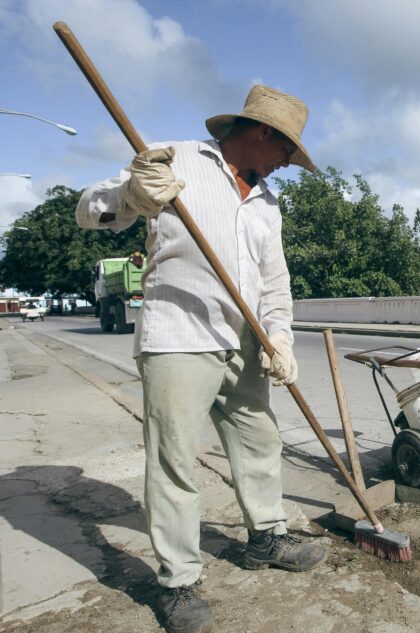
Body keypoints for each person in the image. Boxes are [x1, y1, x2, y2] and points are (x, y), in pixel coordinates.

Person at [76, 85, 325, 633]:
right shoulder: (173, 157)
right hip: (178, 337)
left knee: (260, 441)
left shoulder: (266, 202)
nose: (286, 164)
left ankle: (266, 538)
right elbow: (88, 210)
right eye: (287, 152)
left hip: (245, 341)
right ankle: (179, 582)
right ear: (263, 133)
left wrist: (279, 337)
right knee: (175, 460)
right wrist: (135, 197)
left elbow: (274, 282)